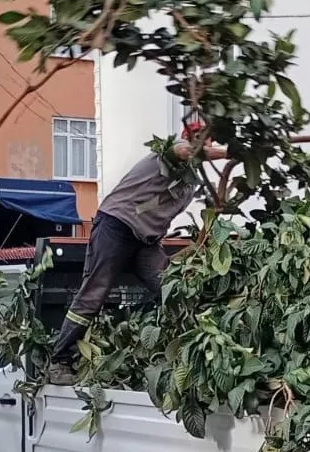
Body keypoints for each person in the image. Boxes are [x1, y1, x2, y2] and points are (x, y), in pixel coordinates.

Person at [48, 136, 229, 386]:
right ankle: (59, 360)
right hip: (116, 226)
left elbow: (155, 206)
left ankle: (183, 355)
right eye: (203, 143)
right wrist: (231, 153)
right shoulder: (166, 156)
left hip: (145, 241)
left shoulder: (189, 183)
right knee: (94, 294)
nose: (206, 148)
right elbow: (184, 151)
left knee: (171, 287)